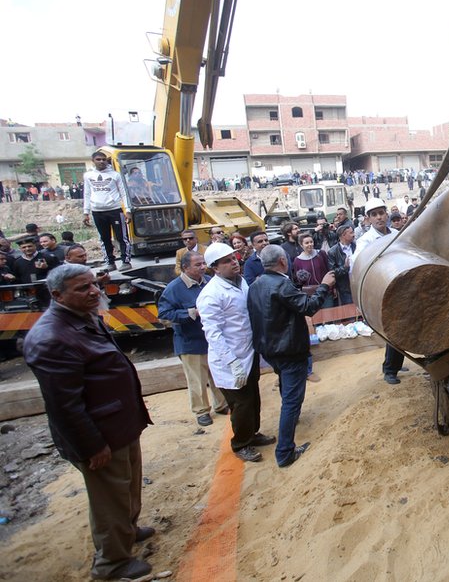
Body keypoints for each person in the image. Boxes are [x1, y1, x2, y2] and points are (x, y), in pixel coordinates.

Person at [24, 264, 153, 581]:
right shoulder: (51, 338)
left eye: (94, 284)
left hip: (120, 425)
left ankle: (127, 530)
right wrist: (92, 445)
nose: (94, 291)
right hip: (101, 436)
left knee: (127, 486)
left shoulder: (81, 317)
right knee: (109, 498)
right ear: (57, 295)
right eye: (83, 288)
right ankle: (112, 563)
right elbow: (64, 405)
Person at [247, 244, 335, 467]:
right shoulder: (281, 285)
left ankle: (291, 423)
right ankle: (285, 452)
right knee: (291, 401)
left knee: (288, 391)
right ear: (283, 262)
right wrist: (324, 286)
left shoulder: (256, 284)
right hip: (289, 350)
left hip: (270, 349)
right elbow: (309, 306)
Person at [197, 243, 275, 463]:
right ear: (215, 268)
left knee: (253, 398)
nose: (234, 263)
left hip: (248, 353)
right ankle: (241, 443)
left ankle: (253, 433)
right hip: (231, 361)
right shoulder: (211, 295)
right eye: (227, 261)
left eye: (234, 258)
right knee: (241, 404)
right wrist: (231, 361)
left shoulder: (240, 282)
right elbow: (213, 334)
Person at [157, 252, 228, 427]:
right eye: (198, 265)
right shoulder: (174, 288)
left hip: (211, 340)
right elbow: (164, 315)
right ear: (185, 268)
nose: (203, 267)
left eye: (203, 263)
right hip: (190, 342)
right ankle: (202, 411)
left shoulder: (210, 282)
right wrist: (191, 313)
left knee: (217, 373)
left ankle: (221, 404)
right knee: (197, 379)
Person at [351, 197, 410, 384]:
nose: (379, 217)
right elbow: (356, 265)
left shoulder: (396, 233)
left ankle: (396, 363)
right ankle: (389, 370)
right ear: (368, 219)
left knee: (402, 327)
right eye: (374, 215)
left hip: (399, 287)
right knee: (393, 329)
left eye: (381, 213)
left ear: (387, 214)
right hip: (381, 291)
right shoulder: (364, 241)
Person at [82, 150, 132, 272]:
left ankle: (126, 261)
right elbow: (87, 193)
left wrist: (128, 210)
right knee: (104, 238)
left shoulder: (115, 175)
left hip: (114, 210)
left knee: (122, 237)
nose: (101, 161)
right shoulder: (88, 176)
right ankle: (110, 262)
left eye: (103, 159)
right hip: (97, 211)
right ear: (93, 161)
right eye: (98, 159)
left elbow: (124, 193)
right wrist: (86, 212)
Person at [327, 225, 356, 305]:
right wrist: (345, 267)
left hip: (360, 283)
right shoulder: (332, 252)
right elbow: (332, 272)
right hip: (346, 288)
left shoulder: (357, 246)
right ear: (343, 235)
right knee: (350, 311)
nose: (353, 234)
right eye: (351, 233)